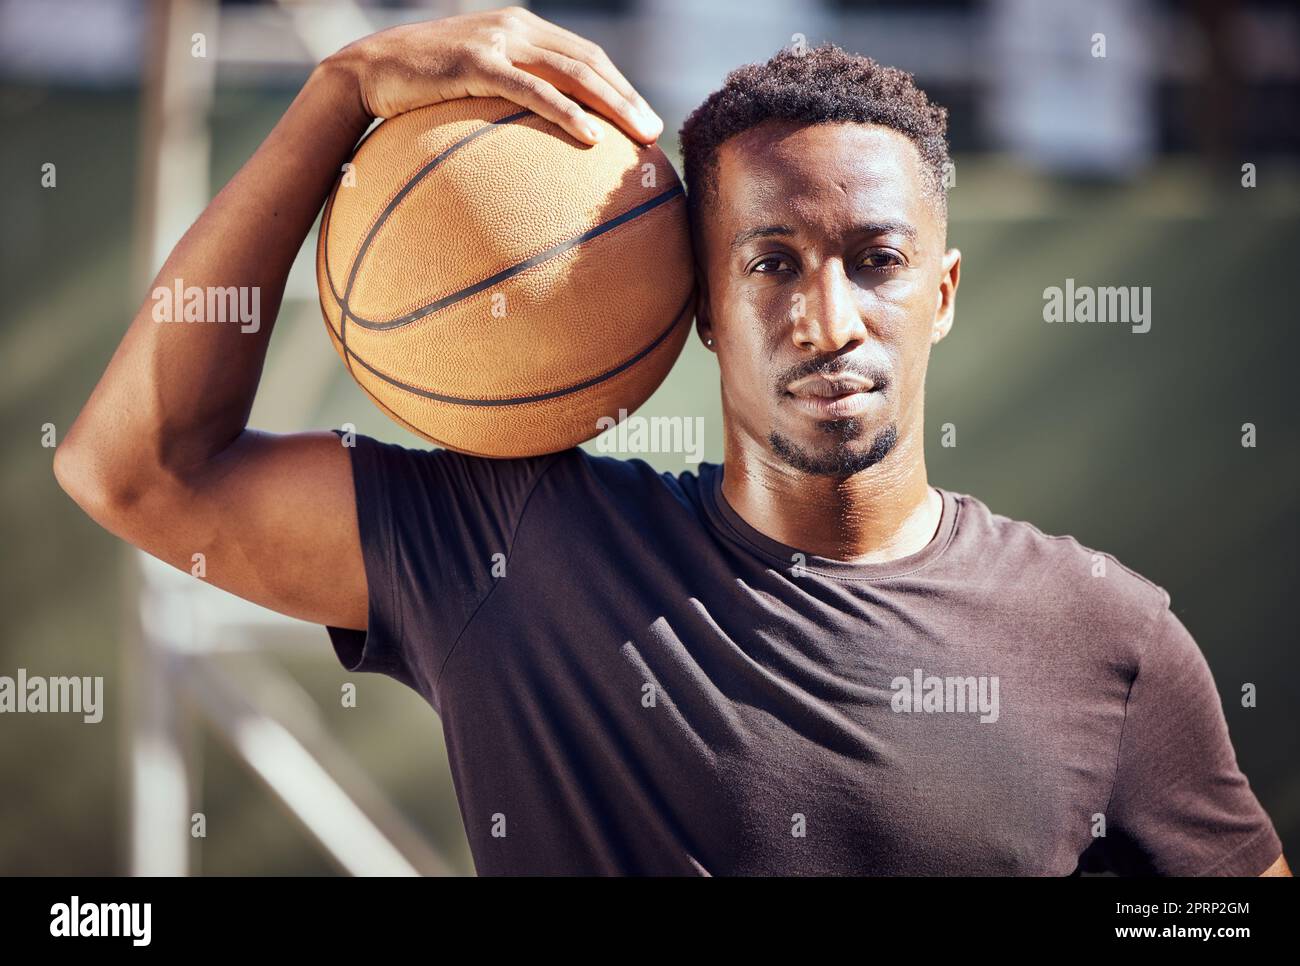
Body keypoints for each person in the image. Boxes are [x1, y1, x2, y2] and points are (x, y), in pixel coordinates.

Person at [54, 6, 1288, 877]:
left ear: (946, 292)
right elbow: (138, 470)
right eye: (769, 263)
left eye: (877, 262)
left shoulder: (1109, 638)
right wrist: (338, 93)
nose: (826, 318)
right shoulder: (518, 551)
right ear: (699, 305)